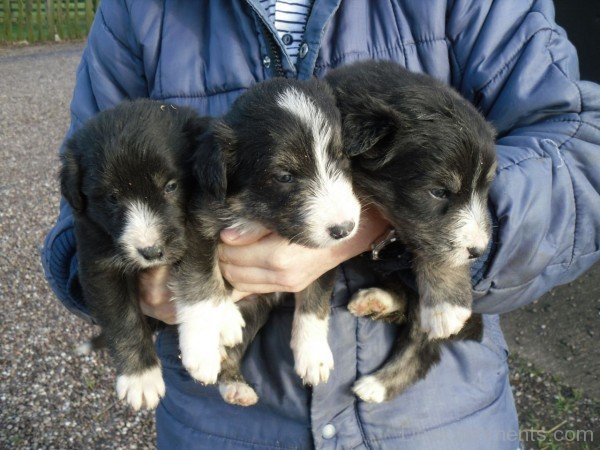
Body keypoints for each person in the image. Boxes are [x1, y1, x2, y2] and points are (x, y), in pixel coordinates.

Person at [42, 1, 600, 449]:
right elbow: (85, 210)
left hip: (438, 422)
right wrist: (154, 293)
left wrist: (381, 228)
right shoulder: (135, 11)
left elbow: (579, 149)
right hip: (218, 425)